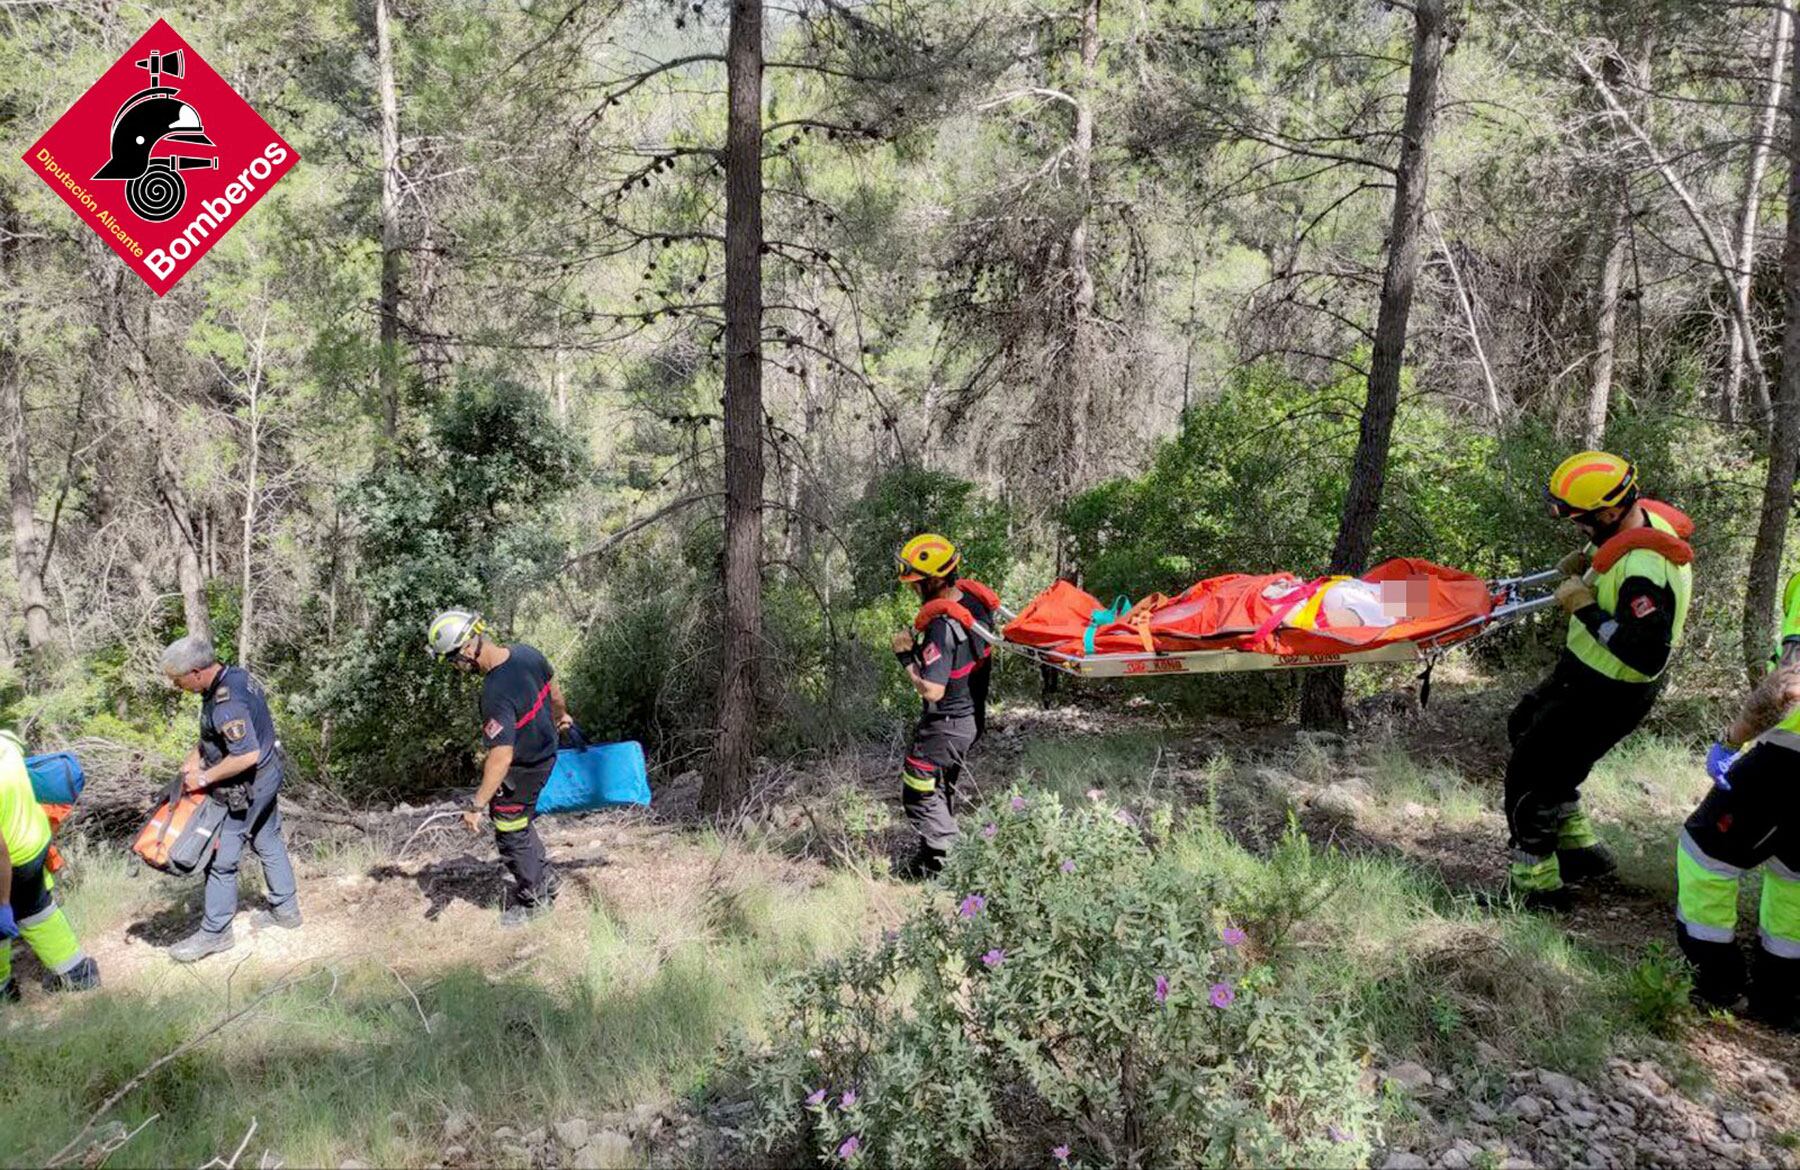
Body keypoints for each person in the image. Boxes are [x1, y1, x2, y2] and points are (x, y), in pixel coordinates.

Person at [1504, 451, 1693, 910]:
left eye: (1582, 522)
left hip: (1611, 690)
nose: (1577, 527)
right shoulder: (1639, 521)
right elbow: (1615, 546)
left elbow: (1646, 655)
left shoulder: (1645, 573)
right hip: (1586, 673)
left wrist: (1586, 608)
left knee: (1529, 776)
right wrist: (1590, 557)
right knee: (1524, 724)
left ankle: (1537, 892)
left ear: (1609, 512)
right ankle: (1578, 848)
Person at [1676, 571, 1800, 1028]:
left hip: (1789, 760)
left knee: (1703, 854)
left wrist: (1731, 740)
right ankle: (1780, 999)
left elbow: (1789, 686)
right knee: (1794, 876)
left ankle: (1716, 983)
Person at [162, 635, 302, 963]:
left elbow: (246, 754)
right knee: (268, 837)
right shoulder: (233, 676)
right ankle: (286, 910)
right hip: (268, 773)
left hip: (249, 784)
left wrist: (204, 777)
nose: (176, 686)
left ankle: (216, 933)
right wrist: (196, 755)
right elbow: (219, 737)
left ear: (196, 672)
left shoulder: (227, 703)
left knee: (221, 860)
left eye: (178, 680)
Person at [429, 609, 572, 926]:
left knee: (509, 829)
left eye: (453, 661)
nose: (456, 668)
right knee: (520, 821)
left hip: (524, 766)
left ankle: (533, 901)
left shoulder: (494, 692)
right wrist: (561, 717)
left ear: (467, 648)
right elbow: (554, 690)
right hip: (547, 752)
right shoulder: (527, 654)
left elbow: (501, 756)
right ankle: (545, 878)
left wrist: (477, 805)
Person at [891, 534, 983, 877]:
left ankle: (958, 865)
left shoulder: (942, 628)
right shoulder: (972, 605)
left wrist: (904, 657)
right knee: (940, 788)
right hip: (968, 720)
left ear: (934, 580)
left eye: (917, 584)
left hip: (945, 724)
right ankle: (930, 863)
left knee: (918, 790)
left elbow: (932, 689)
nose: (913, 590)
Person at [0, 729, 99, 999]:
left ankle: (3, 990)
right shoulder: (6, 743)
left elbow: (0, 854)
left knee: (9, 914)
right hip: (34, 839)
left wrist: (3, 904)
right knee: (37, 910)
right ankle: (78, 974)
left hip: (11, 857)